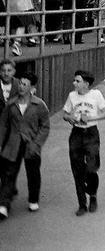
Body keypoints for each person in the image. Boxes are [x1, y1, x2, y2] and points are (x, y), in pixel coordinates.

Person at [0, 71, 50, 220]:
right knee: (9, 173)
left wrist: (37, 143)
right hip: (13, 143)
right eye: (20, 83)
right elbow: (3, 125)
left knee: (33, 173)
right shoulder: (11, 104)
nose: (21, 87)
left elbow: (45, 126)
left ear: (31, 87)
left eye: (24, 84)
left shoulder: (39, 104)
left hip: (31, 143)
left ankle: (33, 199)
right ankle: (3, 205)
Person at [62, 69, 105, 215]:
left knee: (92, 168)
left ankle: (92, 194)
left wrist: (91, 119)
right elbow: (65, 113)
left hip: (91, 134)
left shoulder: (96, 95)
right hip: (76, 134)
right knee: (77, 170)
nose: (74, 83)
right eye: (74, 80)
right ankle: (82, 204)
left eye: (77, 81)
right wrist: (70, 118)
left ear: (86, 84)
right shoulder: (72, 96)